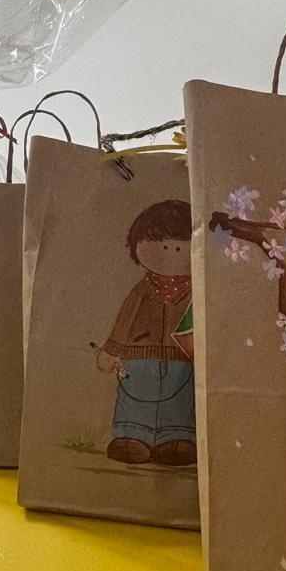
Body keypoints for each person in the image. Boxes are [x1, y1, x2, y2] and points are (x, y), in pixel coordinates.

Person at [96, 199, 196, 466]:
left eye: (179, 246)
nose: (170, 252)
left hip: (182, 359)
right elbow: (125, 320)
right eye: (160, 245)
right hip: (138, 358)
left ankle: (176, 439)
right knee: (135, 398)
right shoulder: (142, 290)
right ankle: (131, 436)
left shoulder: (198, 293)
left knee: (180, 400)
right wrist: (112, 350)